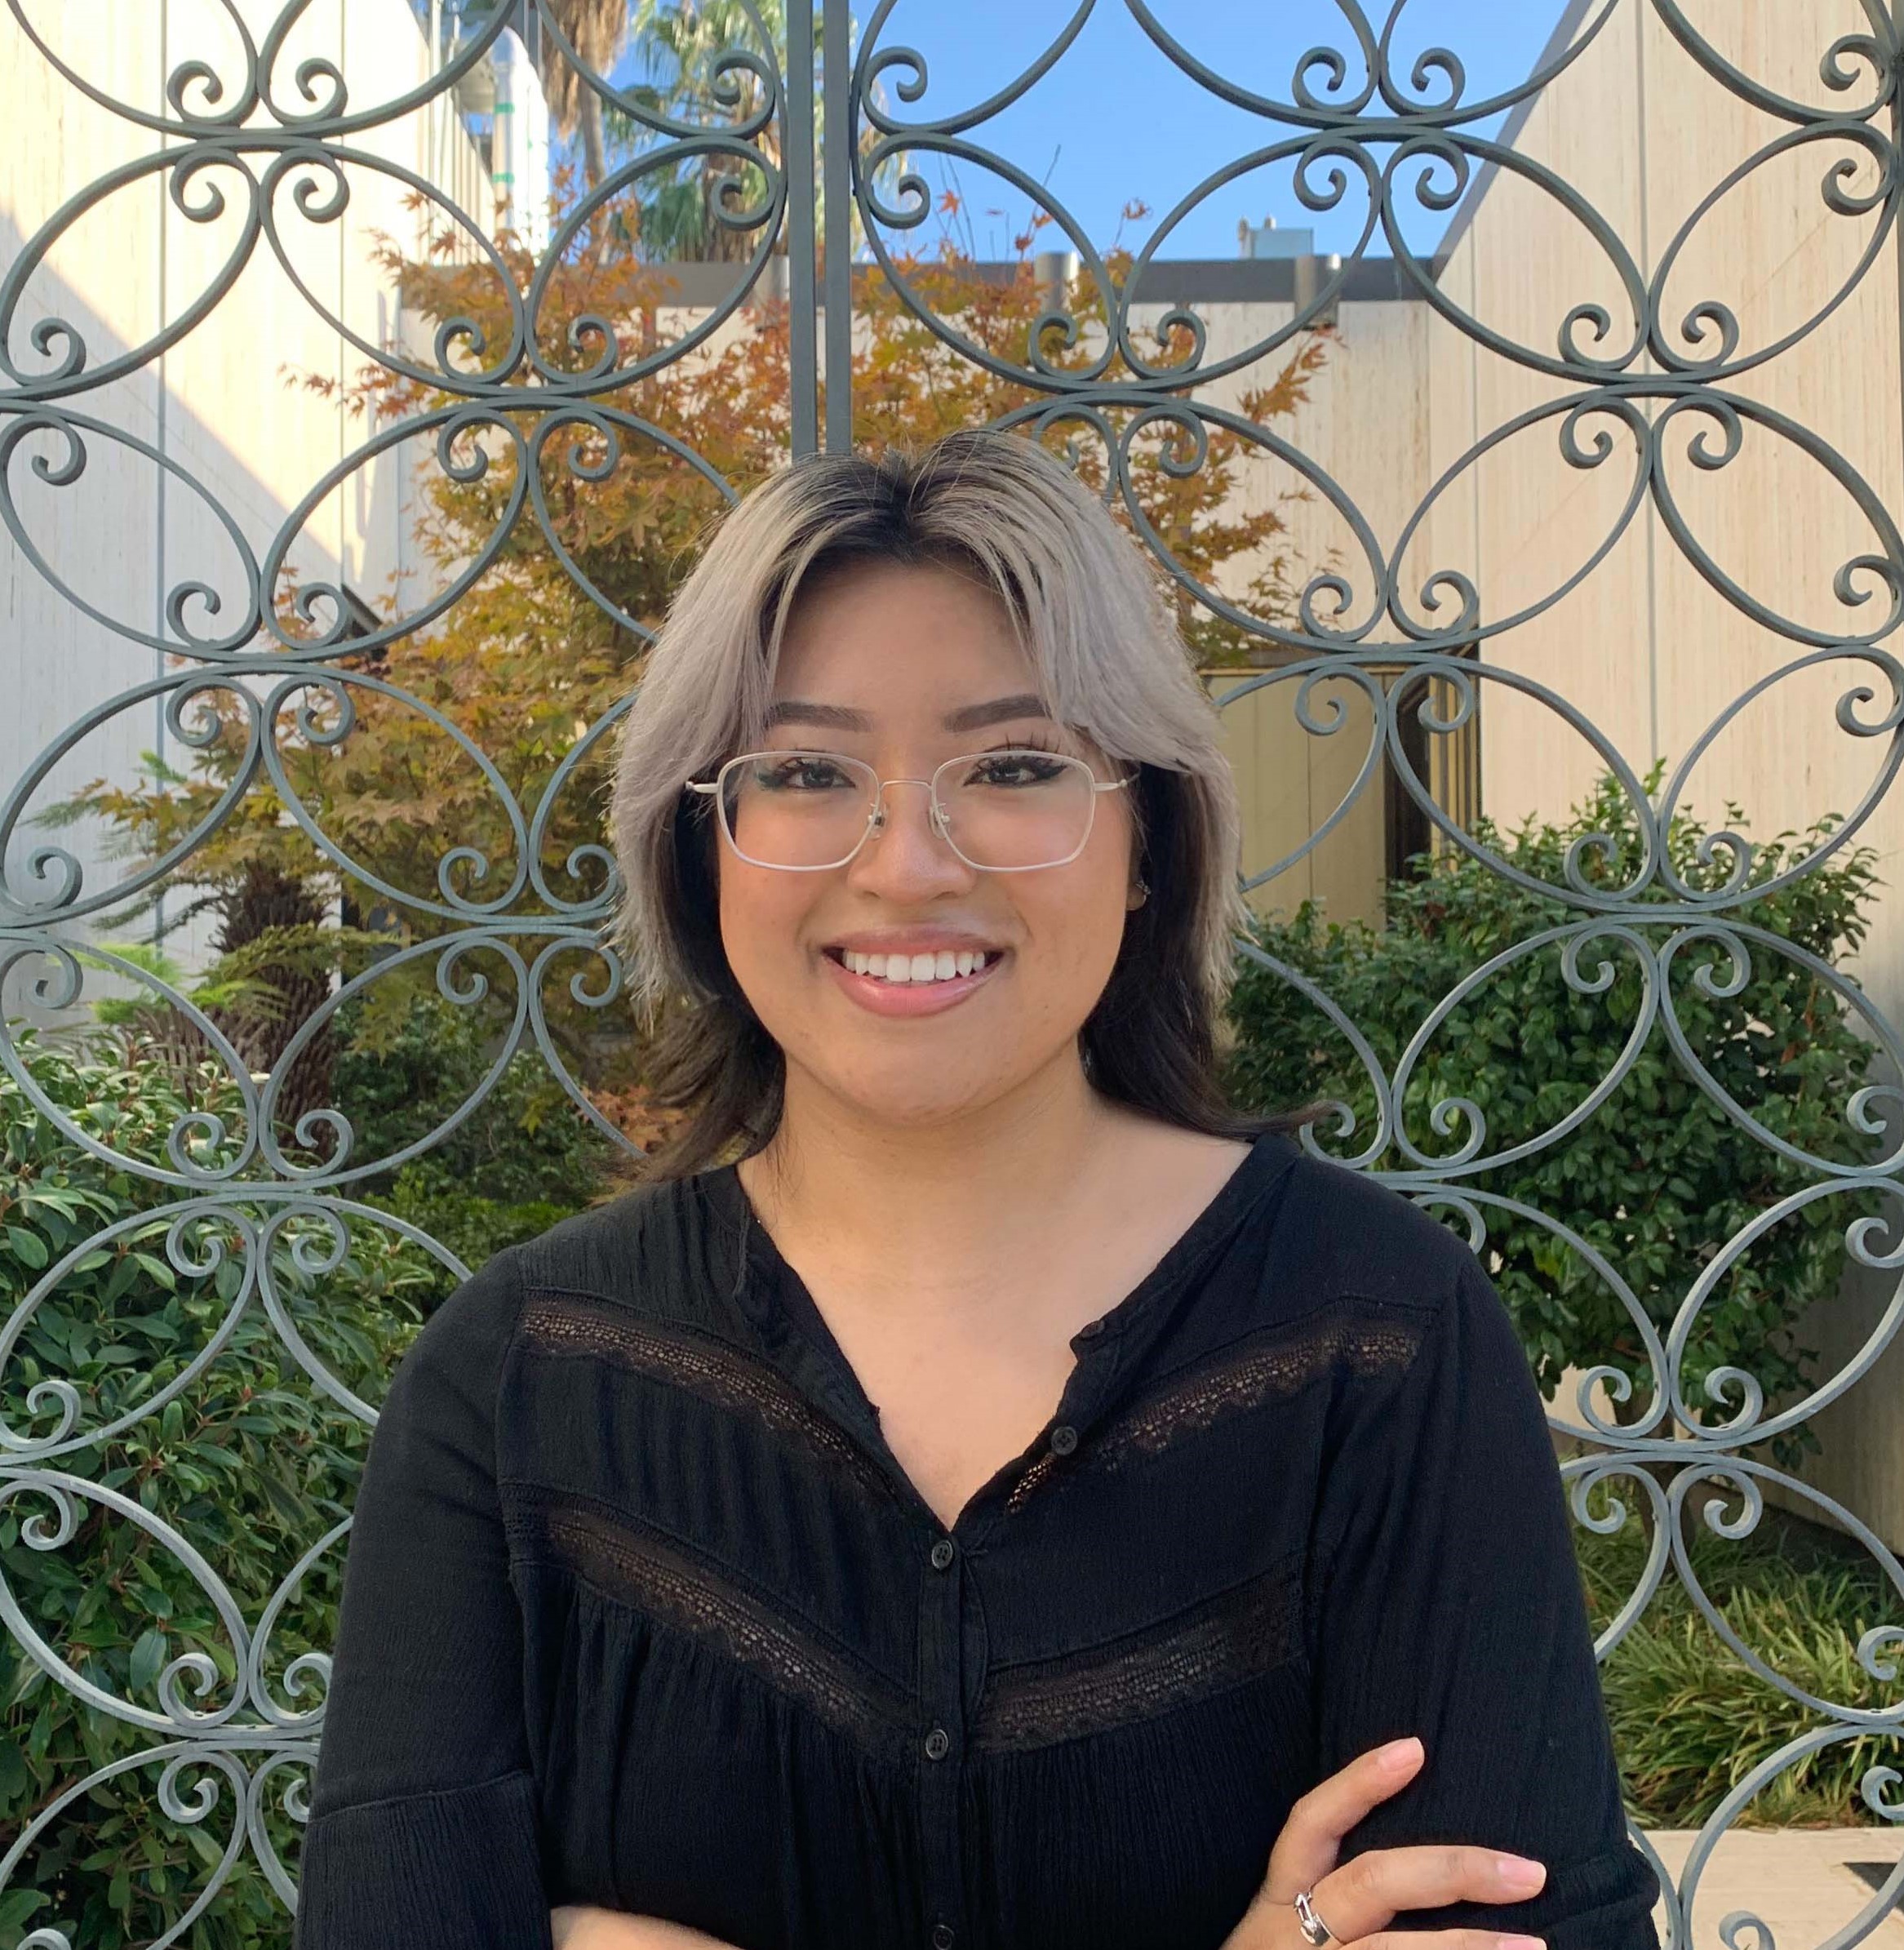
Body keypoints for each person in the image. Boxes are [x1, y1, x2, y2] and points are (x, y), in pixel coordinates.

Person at [294, 429, 1662, 1950]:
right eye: (805, 772)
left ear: (1148, 838)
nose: (906, 864)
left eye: (1011, 766)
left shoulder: (1379, 1338)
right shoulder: (515, 1384)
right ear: (704, 851)